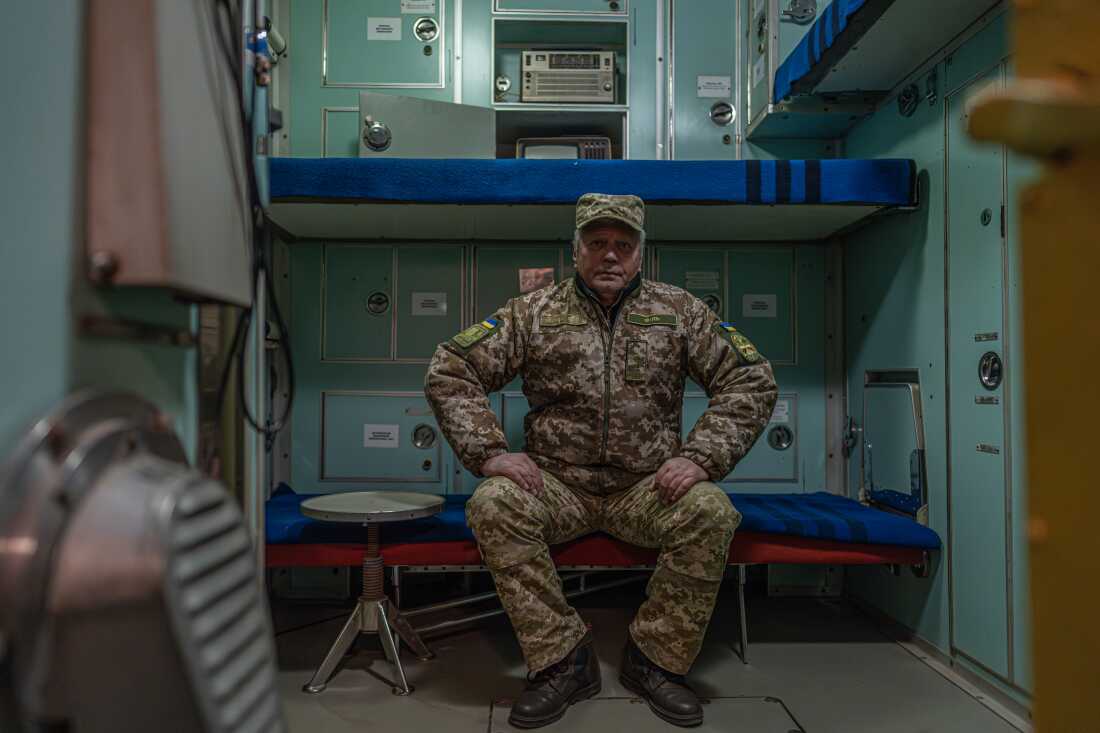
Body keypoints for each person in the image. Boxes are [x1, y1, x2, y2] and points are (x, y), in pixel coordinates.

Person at [425, 193, 778, 728]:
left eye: (623, 244)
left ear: (641, 253)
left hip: (646, 489)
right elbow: (451, 369)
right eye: (597, 244)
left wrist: (702, 458)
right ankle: (563, 661)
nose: (609, 255)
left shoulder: (680, 312)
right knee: (494, 504)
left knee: (711, 511)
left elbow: (750, 378)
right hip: (557, 486)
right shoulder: (535, 313)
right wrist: (491, 454)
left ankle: (655, 660)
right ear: (576, 252)